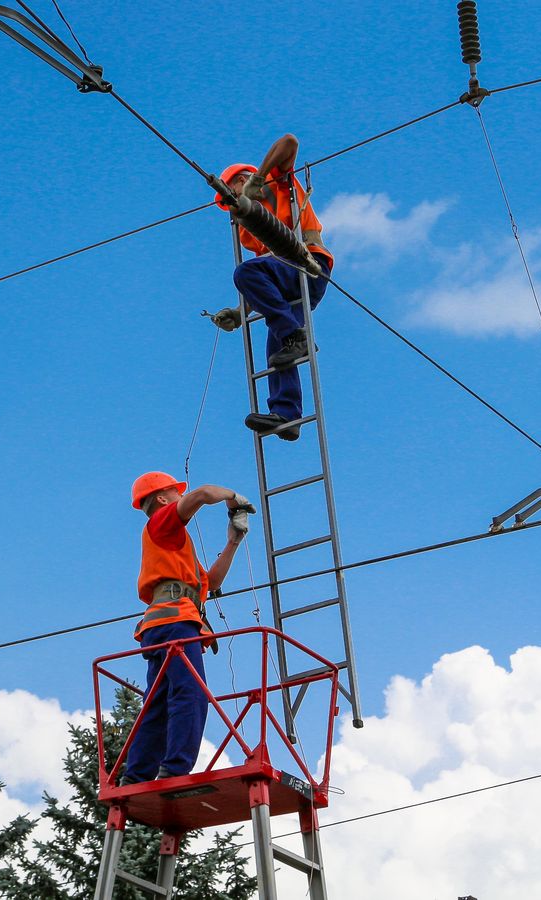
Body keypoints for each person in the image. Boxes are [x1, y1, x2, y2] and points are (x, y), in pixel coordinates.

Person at [121, 471, 255, 784]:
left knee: (159, 700)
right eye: (174, 493)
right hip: (176, 622)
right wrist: (233, 496)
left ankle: (137, 774)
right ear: (162, 499)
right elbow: (203, 493)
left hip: (165, 624)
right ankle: (177, 768)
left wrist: (233, 541)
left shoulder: (175, 547)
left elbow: (212, 582)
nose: (181, 497)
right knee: (190, 694)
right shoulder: (161, 523)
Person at [217, 133, 334, 442]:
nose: (230, 206)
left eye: (230, 194)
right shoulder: (249, 230)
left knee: (245, 273)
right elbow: (266, 276)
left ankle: (296, 336)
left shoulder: (276, 184)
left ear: (242, 181)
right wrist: (241, 311)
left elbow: (290, 142)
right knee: (278, 348)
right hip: (288, 282)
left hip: (311, 267)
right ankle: (287, 415)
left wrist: (259, 177)